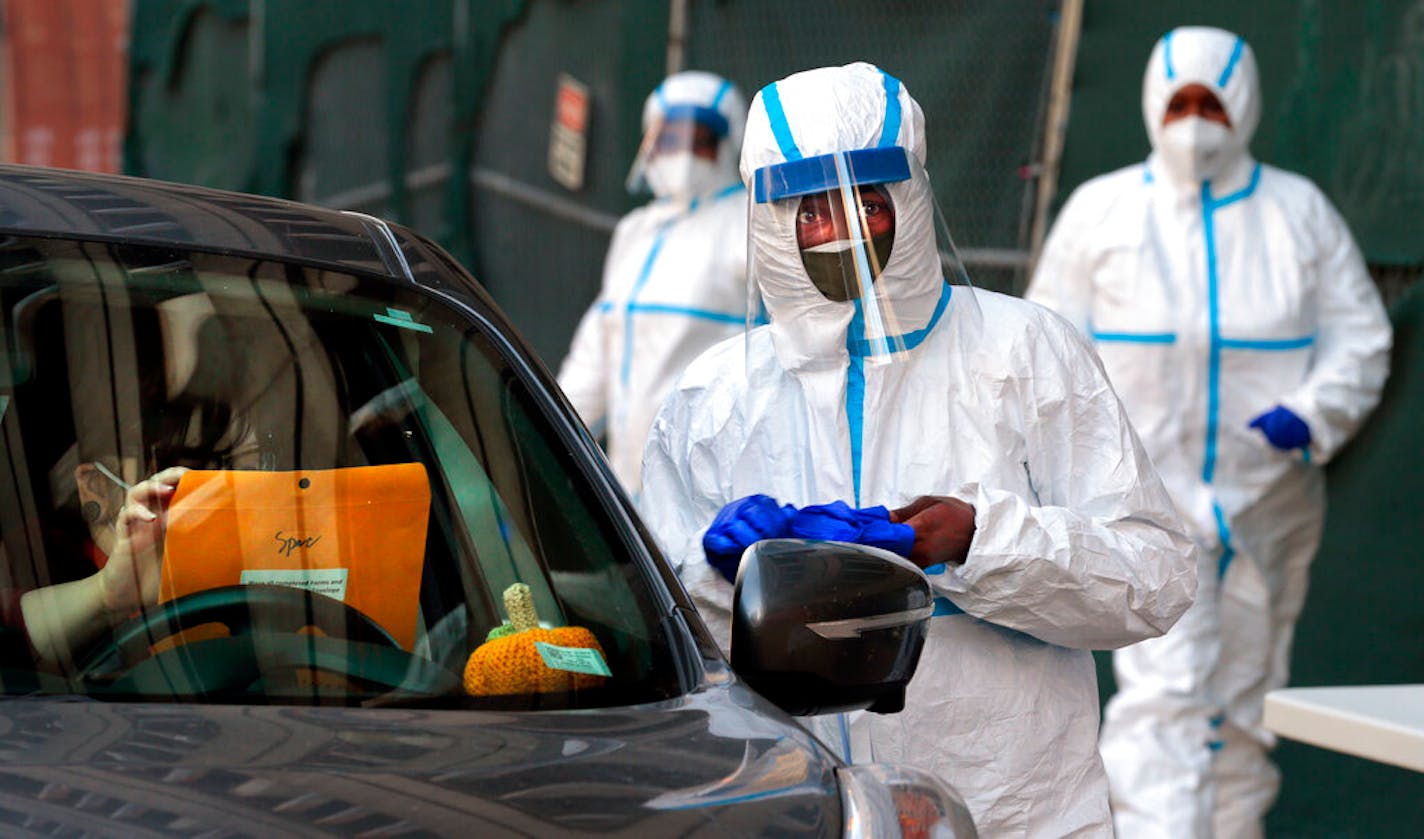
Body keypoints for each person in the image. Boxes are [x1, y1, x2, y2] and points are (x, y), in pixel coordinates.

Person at [640, 62, 1197, 837]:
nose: (840, 232)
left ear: (907, 195)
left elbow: (1155, 577)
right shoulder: (714, 399)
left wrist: (977, 544)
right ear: (770, 220)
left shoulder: (1023, 352)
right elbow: (661, 635)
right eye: (810, 212)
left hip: (1013, 812)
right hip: (792, 809)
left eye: (865, 202)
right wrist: (724, 571)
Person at [1026, 26, 1392, 838]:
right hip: (1145, 503)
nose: (1197, 122)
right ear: (1155, 104)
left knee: (1248, 693)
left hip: (1270, 495)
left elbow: (1360, 336)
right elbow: (1049, 348)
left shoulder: (1298, 213)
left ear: (1246, 106)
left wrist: (1314, 412)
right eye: (1183, 102)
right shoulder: (1104, 211)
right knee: (1161, 695)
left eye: (1214, 104)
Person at [558, 70, 751, 497]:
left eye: (699, 139)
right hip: (626, 480)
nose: (681, 153)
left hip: (711, 486)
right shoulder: (636, 231)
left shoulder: (748, 225)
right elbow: (596, 353)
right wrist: (549, 436)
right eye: (668, 138)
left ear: (727, 143)